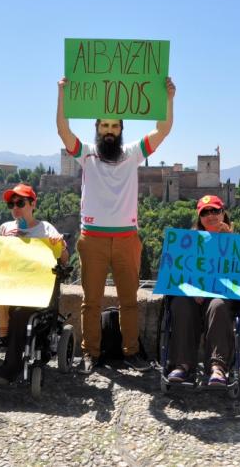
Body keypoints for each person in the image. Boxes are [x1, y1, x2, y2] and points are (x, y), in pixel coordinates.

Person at [56, 75, 176, 373]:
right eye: (104, 126)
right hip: (92, 239)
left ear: (121, 130)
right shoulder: (86, 154)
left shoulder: (133, 154)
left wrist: (169, 98)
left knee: (129, 301)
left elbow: (164, 129)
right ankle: (90, 354)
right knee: (90, 301)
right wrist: (62, 94)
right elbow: (62, 129)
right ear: (97, 129)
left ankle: (131, 352)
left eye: (114, 126)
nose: (109, 131)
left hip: (126, 239)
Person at [0, 183, 68, 386]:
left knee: (23, 312)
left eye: (20, 203)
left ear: (33, 204)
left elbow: (64, 259)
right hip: (6, 285)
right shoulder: (5, 228)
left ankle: (11, 365)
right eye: (11, 204)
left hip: (34, 288)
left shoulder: (45, 228)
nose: (15, 207)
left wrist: (59, 245)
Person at [165, 195, 237, 387]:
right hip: (193, 296)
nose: (211, 215)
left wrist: (227, 242)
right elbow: (179, 274)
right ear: (199, 217)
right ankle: (182, 364)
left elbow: (239, 279)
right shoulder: (188, 242)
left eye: (215, 211)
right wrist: (195, 290)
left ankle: (218, 367)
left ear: (223, 213)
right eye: (205, 212)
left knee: (219, 305)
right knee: (180, 303)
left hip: (219, 296)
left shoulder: (237, 243)